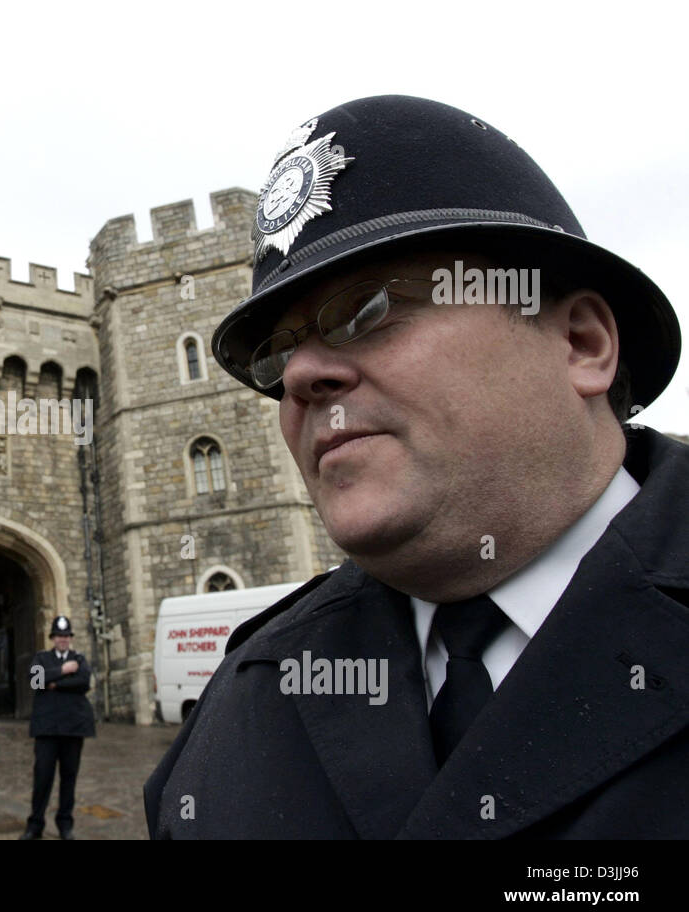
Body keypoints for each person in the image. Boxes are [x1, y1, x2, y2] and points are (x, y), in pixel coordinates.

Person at [144, 95, 688, 839]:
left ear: (581, 343)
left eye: (366, 311)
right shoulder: (245, 706)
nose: (299, 376)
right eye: (277, 357)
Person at [21, 615, 96, 839]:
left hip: (73, 728)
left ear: (70, 638)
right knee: (42, 777)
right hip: (47, 729)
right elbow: (35, 680)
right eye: (59, 636)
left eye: (66, 636)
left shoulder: (79, 659)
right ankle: (35, 824)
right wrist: (62, 671)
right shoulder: (42, 658)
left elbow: (84, 682)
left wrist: (52, 683)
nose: (63, 640)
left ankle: (65, 824)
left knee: (68, 777)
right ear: (53, 638)